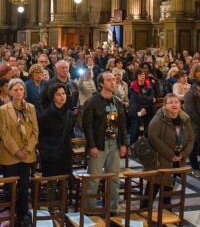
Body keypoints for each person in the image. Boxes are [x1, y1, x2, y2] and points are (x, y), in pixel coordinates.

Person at [82, 72, 126, 216]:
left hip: (114, 143)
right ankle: (90, 209)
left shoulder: (117, 102)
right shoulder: (92, 101)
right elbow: (87, 127)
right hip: (99, 144)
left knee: (114, 179)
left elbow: (122, 125)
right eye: (108, 80)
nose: (113, 82)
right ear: (101, 83)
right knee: (94, 180)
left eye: (114, 80)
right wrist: (92, 146)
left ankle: (113, 208)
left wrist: (123, 144)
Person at [141, 93, 194, 208]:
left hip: (177, 159)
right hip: (159, 159)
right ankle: (144, 212)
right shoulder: (160, 117)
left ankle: (165, 212)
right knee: (153, 187)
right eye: (170, 102)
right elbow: (153, 137)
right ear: (165, 105)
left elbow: (191, 139)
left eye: (176, 102)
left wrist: (183, 154)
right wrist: (171, 155)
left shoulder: (184, 118)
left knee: (169, 186)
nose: (174, 105)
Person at [0, 78, 39, 227]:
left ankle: (24, 214)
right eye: (15, 90)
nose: (18, 92)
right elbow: (3, 133)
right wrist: (16, 151)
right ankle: (12, 214)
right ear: (10, 92)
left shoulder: (31, 108)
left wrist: (27, 149)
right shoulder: (3, 110)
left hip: (27, 154)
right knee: (11, 187)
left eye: (21, 89)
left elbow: (35, 131)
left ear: (24, 91)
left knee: (24, 185)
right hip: (10, 154)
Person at [38, 83, 75, 213]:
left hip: (65, 151)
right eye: (58, 94)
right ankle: (52, 207)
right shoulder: (45, 115)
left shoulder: (69, 113)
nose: (62, 97)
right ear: (53, 97)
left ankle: (64, 206)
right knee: (52, 182)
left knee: (64, 181)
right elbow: (41, 135)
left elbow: (71, 132)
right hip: (50, 152)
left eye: (63, 94)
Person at [128, 68, 155, 145]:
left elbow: (150, 99)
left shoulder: (149, 87)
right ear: (136, 76)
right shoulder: (132, 87)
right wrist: (142, 108)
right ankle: (133, 148)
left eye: (143, 74)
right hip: (136, 111)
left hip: (147, 111)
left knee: (147, 130)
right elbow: (135, 100)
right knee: (135, 131)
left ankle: (145, 148)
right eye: (140, 74)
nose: (142, 76)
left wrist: (144, 106)